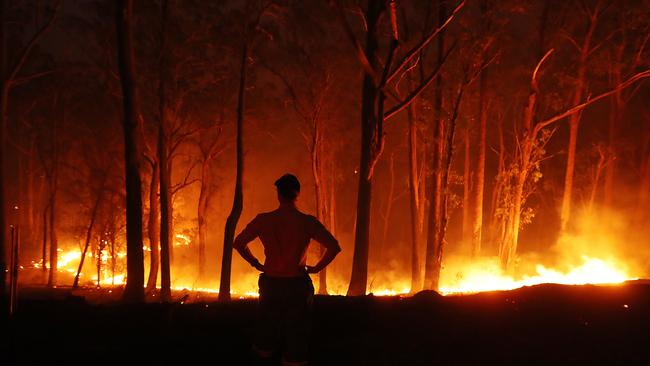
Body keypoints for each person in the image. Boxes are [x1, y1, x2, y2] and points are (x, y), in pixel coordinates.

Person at [233, 173, 341, 366]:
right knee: (296, 338)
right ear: (297, 194)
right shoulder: (307, 222)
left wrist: (256, 263)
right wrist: (316, 268)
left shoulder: (263, 220)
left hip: (271, 284)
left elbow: (239, 243)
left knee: (265, 336)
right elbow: (334, 247)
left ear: (278, 195)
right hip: (297, 286)